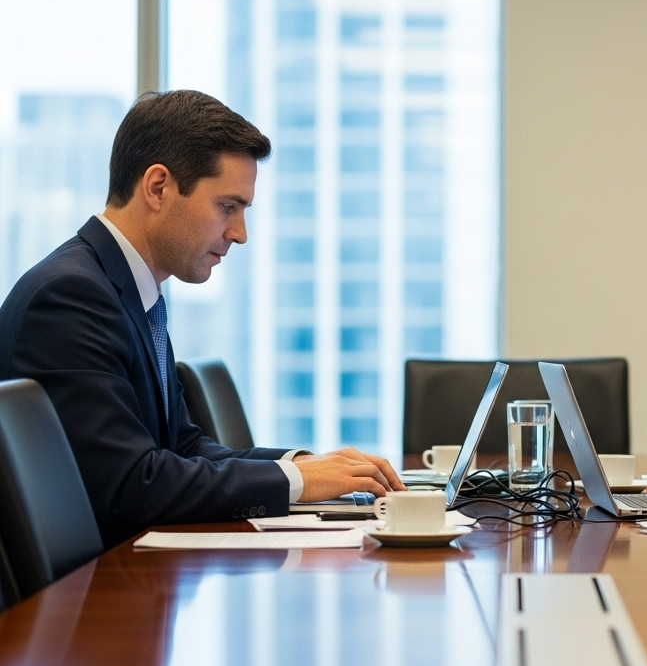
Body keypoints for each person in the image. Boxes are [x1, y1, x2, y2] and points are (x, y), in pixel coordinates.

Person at [0, 90, 405, 548]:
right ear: (158, 187)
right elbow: (132, 485)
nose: (239, 234)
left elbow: (184, 447)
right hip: (82, 602)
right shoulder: (71, 297)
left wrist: (308, 467)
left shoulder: (127, 289)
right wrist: (296, 479)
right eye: (227, 207)